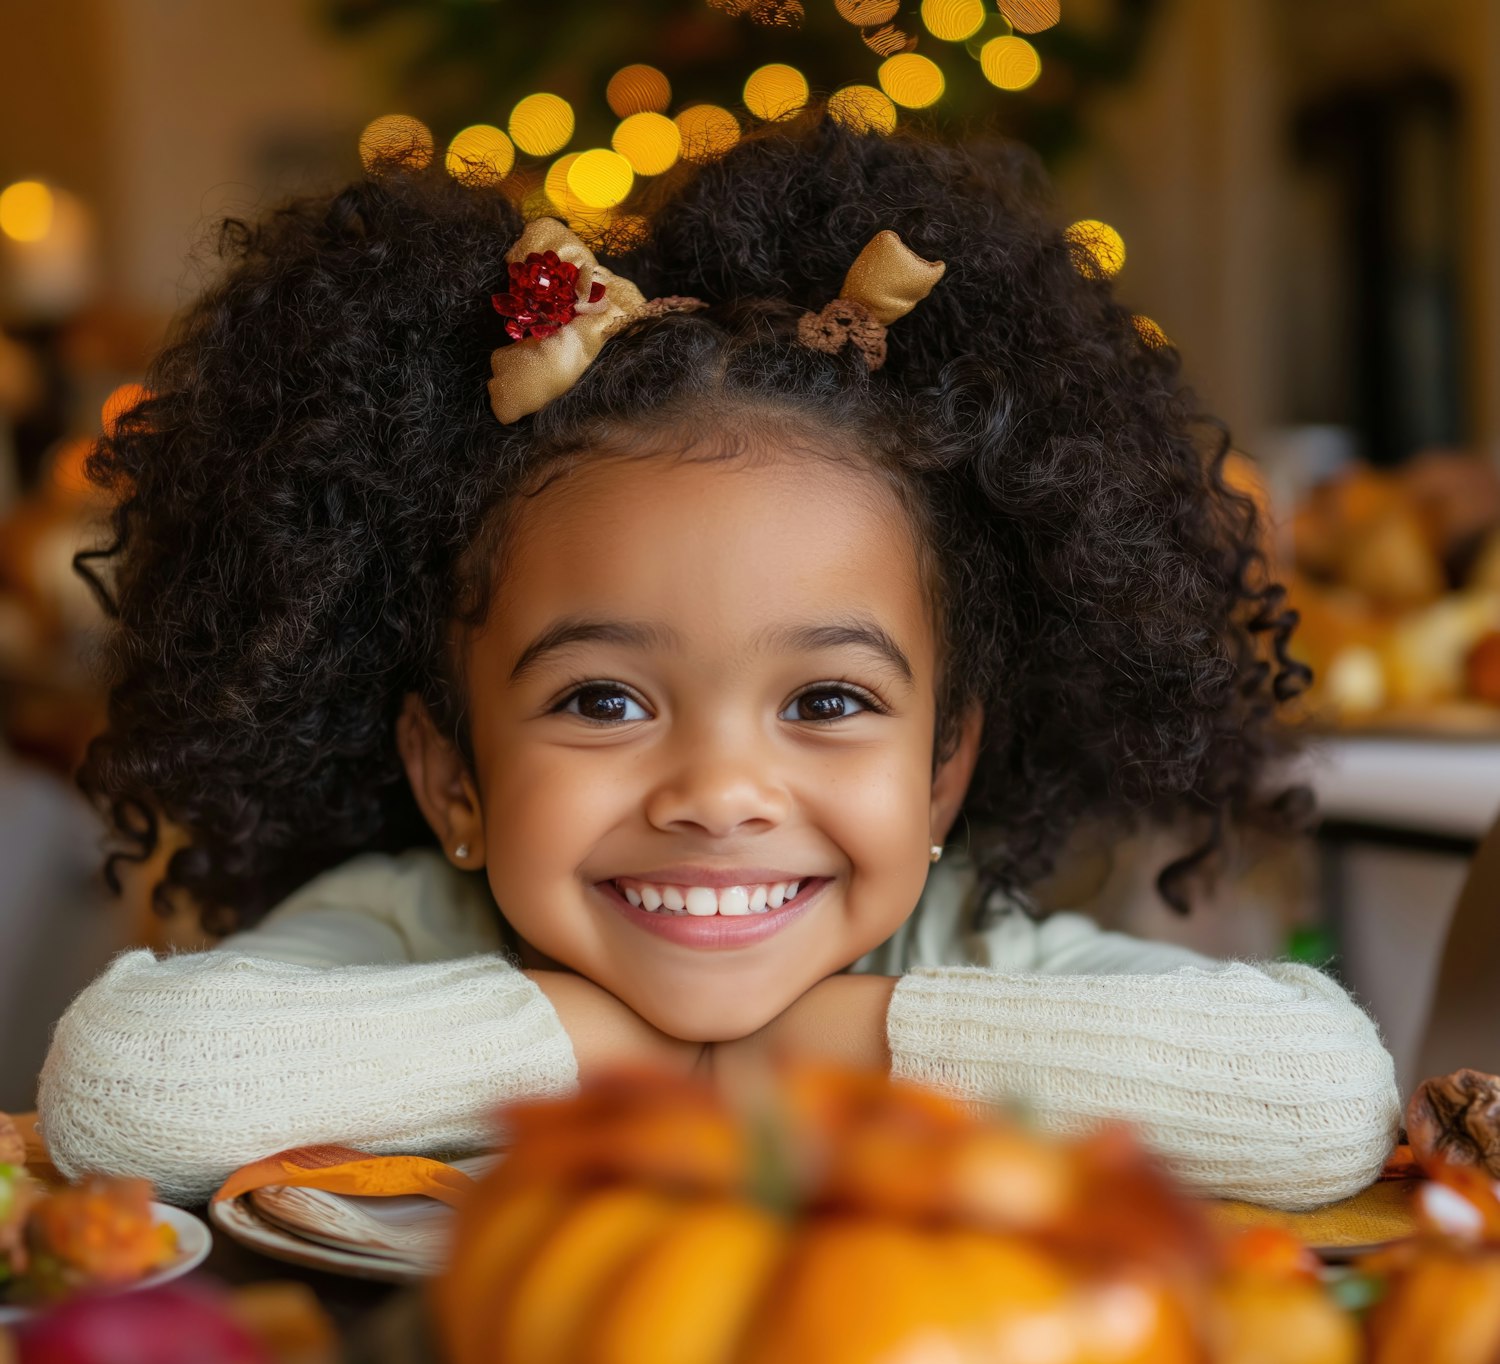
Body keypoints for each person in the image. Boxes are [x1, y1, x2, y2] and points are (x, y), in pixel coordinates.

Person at [38, 111, 1397, 1207]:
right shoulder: (404, 928)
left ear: (941, 771)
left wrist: (828, 1043)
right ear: (452, 777)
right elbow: (126, 1099)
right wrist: (616, 1046)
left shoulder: (956, 942)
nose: (718, 790)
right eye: (605, 698)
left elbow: (1319, 1097)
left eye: (827, 699)